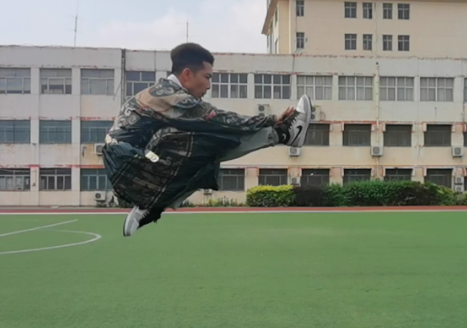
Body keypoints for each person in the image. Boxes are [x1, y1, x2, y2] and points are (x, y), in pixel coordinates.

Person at [102, 43, 311, 237]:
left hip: (132, 163)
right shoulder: (169, 96)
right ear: (187, 74)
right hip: (129, 164)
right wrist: (271, 119)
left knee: (200, 145)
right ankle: (283, 134)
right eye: (207, 77)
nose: (209, 85)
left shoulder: (164, 93)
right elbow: (216, 118)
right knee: (206, 136)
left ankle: (150, 206)